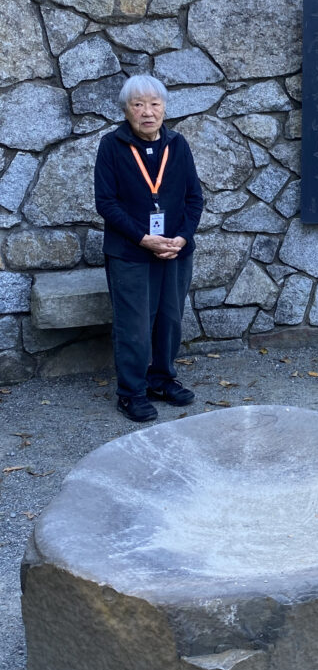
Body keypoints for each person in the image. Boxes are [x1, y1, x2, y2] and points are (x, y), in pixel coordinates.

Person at [94, 75, 204, 422]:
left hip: (174, 250)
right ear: (126, 110)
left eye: (154, 104)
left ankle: (161, 379)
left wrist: (182, 238)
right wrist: (143, 237)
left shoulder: (178, 144)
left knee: (170, 319)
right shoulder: (111, 146)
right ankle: (131, 392)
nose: (147, 112)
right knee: (134, 325)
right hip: (130, 252)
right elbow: (106, 203)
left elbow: (193, 198)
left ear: (164, 108)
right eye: (138, 105)